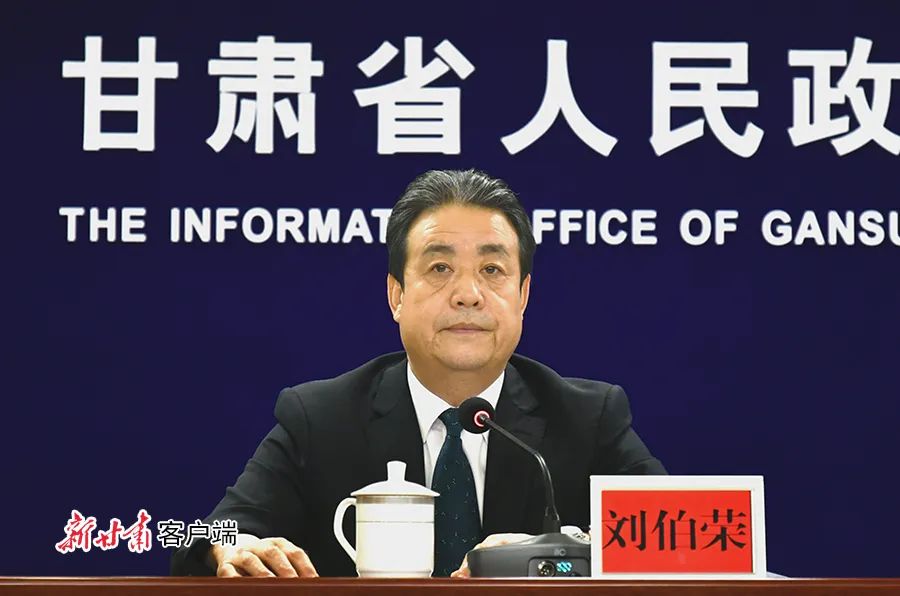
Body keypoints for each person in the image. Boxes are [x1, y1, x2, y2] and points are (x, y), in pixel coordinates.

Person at [171, 169, 665, 578]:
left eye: (492, 270)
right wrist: (230, 547)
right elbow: (205, 533)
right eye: (440, 269)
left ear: (523, 296)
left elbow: (679, 535)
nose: (468, 294)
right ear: (397, 296)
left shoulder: (586, 417)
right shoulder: (320, 418)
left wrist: (554, 551)